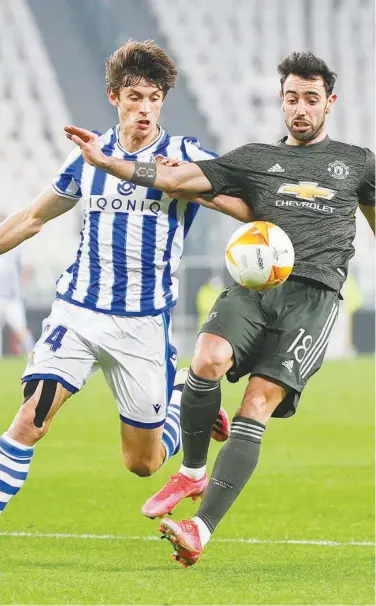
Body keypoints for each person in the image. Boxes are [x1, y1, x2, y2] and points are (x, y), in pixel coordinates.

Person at [64, 49, 375, 566]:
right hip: (253, 286)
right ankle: (190, 470)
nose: (300, 108)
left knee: (256, 404)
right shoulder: (253, 158)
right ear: (281, 101)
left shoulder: (359, 163)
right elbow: (183, 180)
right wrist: (108, 162)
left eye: (311, 100)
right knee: (205, 360)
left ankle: (200, 528)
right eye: (292, 98)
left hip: (312, 298)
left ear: (330, 103)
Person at [0, 40, 253, 517]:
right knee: (31, 421)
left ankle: (180, 398)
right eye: (135, 97)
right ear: (114, 96)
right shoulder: (87, 156)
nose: (145, 108)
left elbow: (245, 204)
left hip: (141, 326)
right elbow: (32, 218)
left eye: (154, 98)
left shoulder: (184, 156)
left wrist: (195, 188)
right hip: (78, 312)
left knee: (143, 463)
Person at [0, 215, 34, 358]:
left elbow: (26, 268)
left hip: (12, 296)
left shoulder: (17, 245)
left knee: (21, 328)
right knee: (20, 328)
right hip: (7, 295)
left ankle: (33, 356)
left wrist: (22, 284)